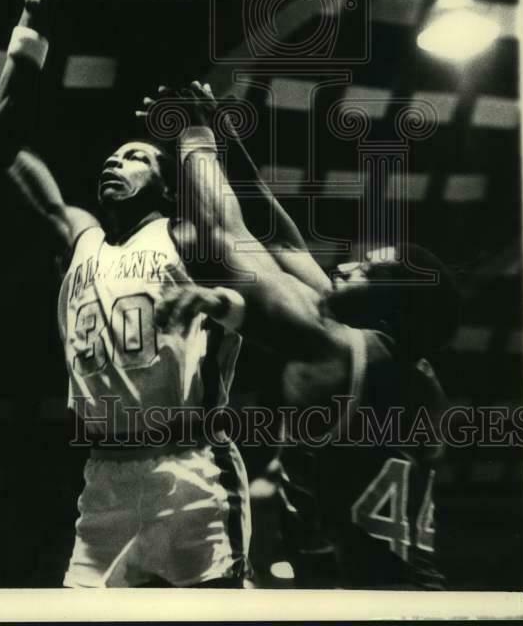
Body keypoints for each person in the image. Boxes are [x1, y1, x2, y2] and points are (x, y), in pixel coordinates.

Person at [0, 0, 249, 588]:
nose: (113, 159)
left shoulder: (186, 238)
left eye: (134, 156)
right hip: (104, 472)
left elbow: (231, 234)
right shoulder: (82, 237)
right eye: (111, 155)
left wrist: (196, 128)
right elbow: (2, 144)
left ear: (163, 184)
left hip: (189, 467)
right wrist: (34, 17)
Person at [154, 111, 460, 589]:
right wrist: (229, 137)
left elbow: (224, 238)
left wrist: (195, 134)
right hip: (412, 590)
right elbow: (279, 239)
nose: (347, 264)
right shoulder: (408, 366)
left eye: (367, 269)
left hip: (366, 600)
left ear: (389, 304)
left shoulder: (337, 351)